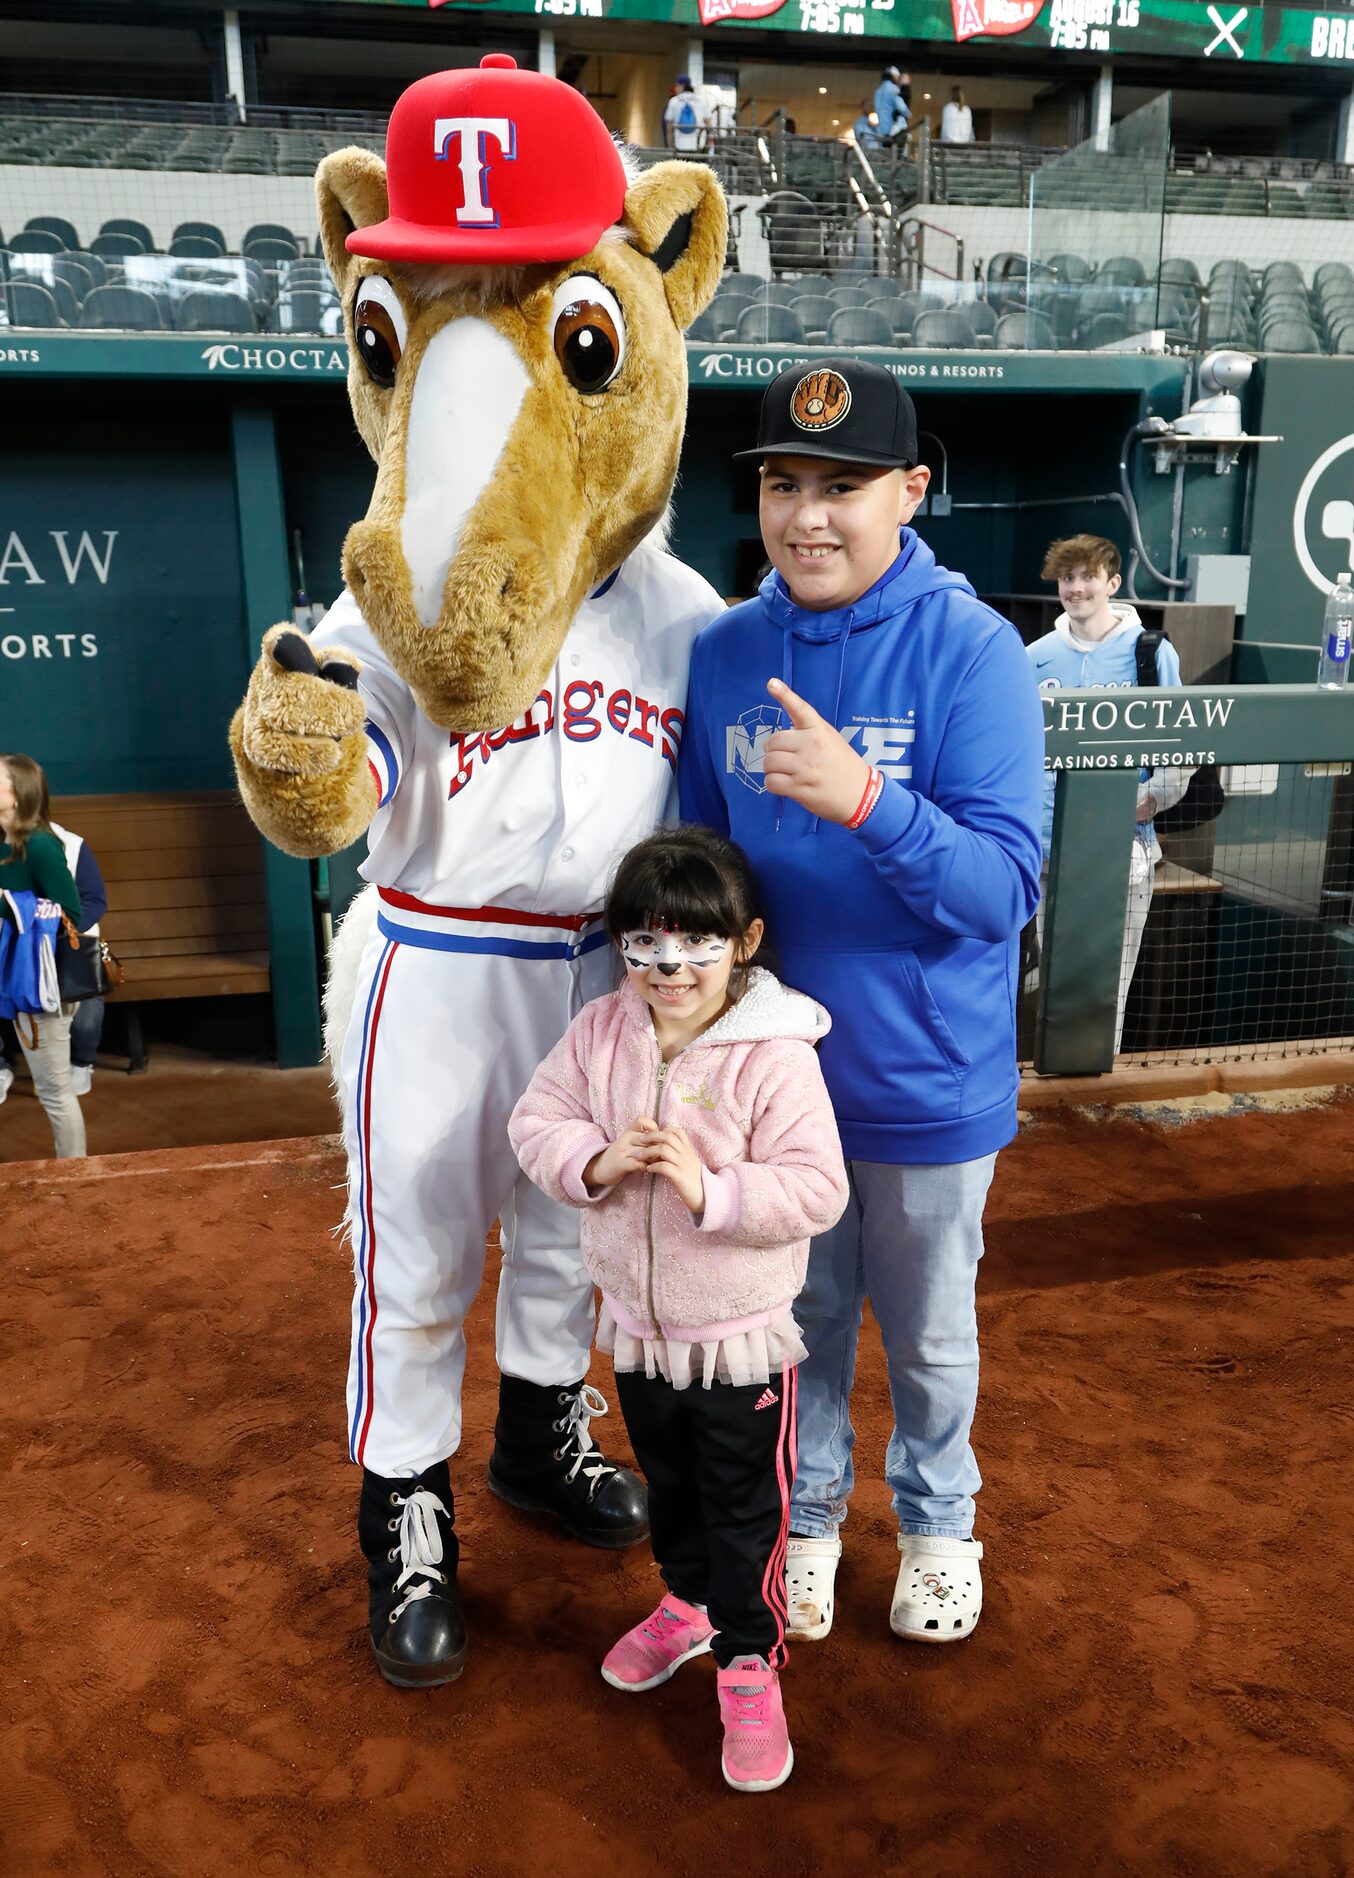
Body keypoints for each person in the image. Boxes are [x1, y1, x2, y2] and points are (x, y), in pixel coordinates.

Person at [678, 360, 1044, 1647]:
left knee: (932, 1335)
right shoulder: (723, 652)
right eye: (784, 483)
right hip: (774, 1092)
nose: (808, 515)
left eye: (844, 486)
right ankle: (816, 1518)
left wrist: (869, 803)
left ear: (911, 492)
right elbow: (696, 871)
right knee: (804, 1326)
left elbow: (1002, 889)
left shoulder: (974, 650)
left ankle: (942, 1524)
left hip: (924, 1082)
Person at [510, 826, 848, 1793]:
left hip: (740, 1342)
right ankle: (689, 1604)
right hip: (638, 1329)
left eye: (697, 943)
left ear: (745, 942)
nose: (668, 966)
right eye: (645, 943)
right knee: (674, 1487)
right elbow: (535, 1119)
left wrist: (713, 1191)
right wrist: (595, 1160)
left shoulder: (775, 1055)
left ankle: (749, 1662)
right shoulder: (603, 1030)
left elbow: (817, 1188)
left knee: (748, 1509)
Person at [1027, 535, 1188, 1053]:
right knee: (1052, 974)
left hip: (1123, 848)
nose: (1076, 588)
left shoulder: (1150, 653)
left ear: (1112, 583)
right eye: (1067, 578)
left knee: (1109, 981)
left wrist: (1154, 799)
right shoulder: (1035, 658)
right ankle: (1058, 1097)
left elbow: (1180, 740)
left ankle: (1098, 1093)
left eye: (1088, 576)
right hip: (1047, 849)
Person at [0, 753, 87, 1159]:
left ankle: (76, 1179)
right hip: (16, 980)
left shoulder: (40, 845)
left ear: (17, 794)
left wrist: (6, 905)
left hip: (40, 983)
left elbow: (71, 914)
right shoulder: (7, 841)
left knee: (54, 1091)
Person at [663, 76, 708, 153]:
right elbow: (709, 123)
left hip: (680, 145)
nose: (675, 88)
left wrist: (670, 147)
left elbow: (669, 128)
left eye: (677, 86)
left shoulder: (674, 101)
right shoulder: (701, 100)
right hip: (699, 145)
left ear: (682, 86)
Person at [872, 66, 910, 145]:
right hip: (893, 130)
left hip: (881, 132)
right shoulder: (893, 89)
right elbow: (902, 108)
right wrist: (908, 113)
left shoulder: (878, 91)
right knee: (899, 153)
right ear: (893, 77)